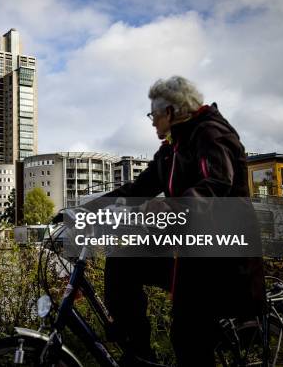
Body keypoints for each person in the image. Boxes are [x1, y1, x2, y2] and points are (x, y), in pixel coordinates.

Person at [102, 76, 264, 366]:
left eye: (154, 114)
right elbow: (138, 188)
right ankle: (138, 352)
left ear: (172, 112)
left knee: (188, 338)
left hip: (223, 254)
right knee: (122, 261)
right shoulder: (171, 149)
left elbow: (215, 183)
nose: (152, 122)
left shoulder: (211, 135)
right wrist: (87, 209)